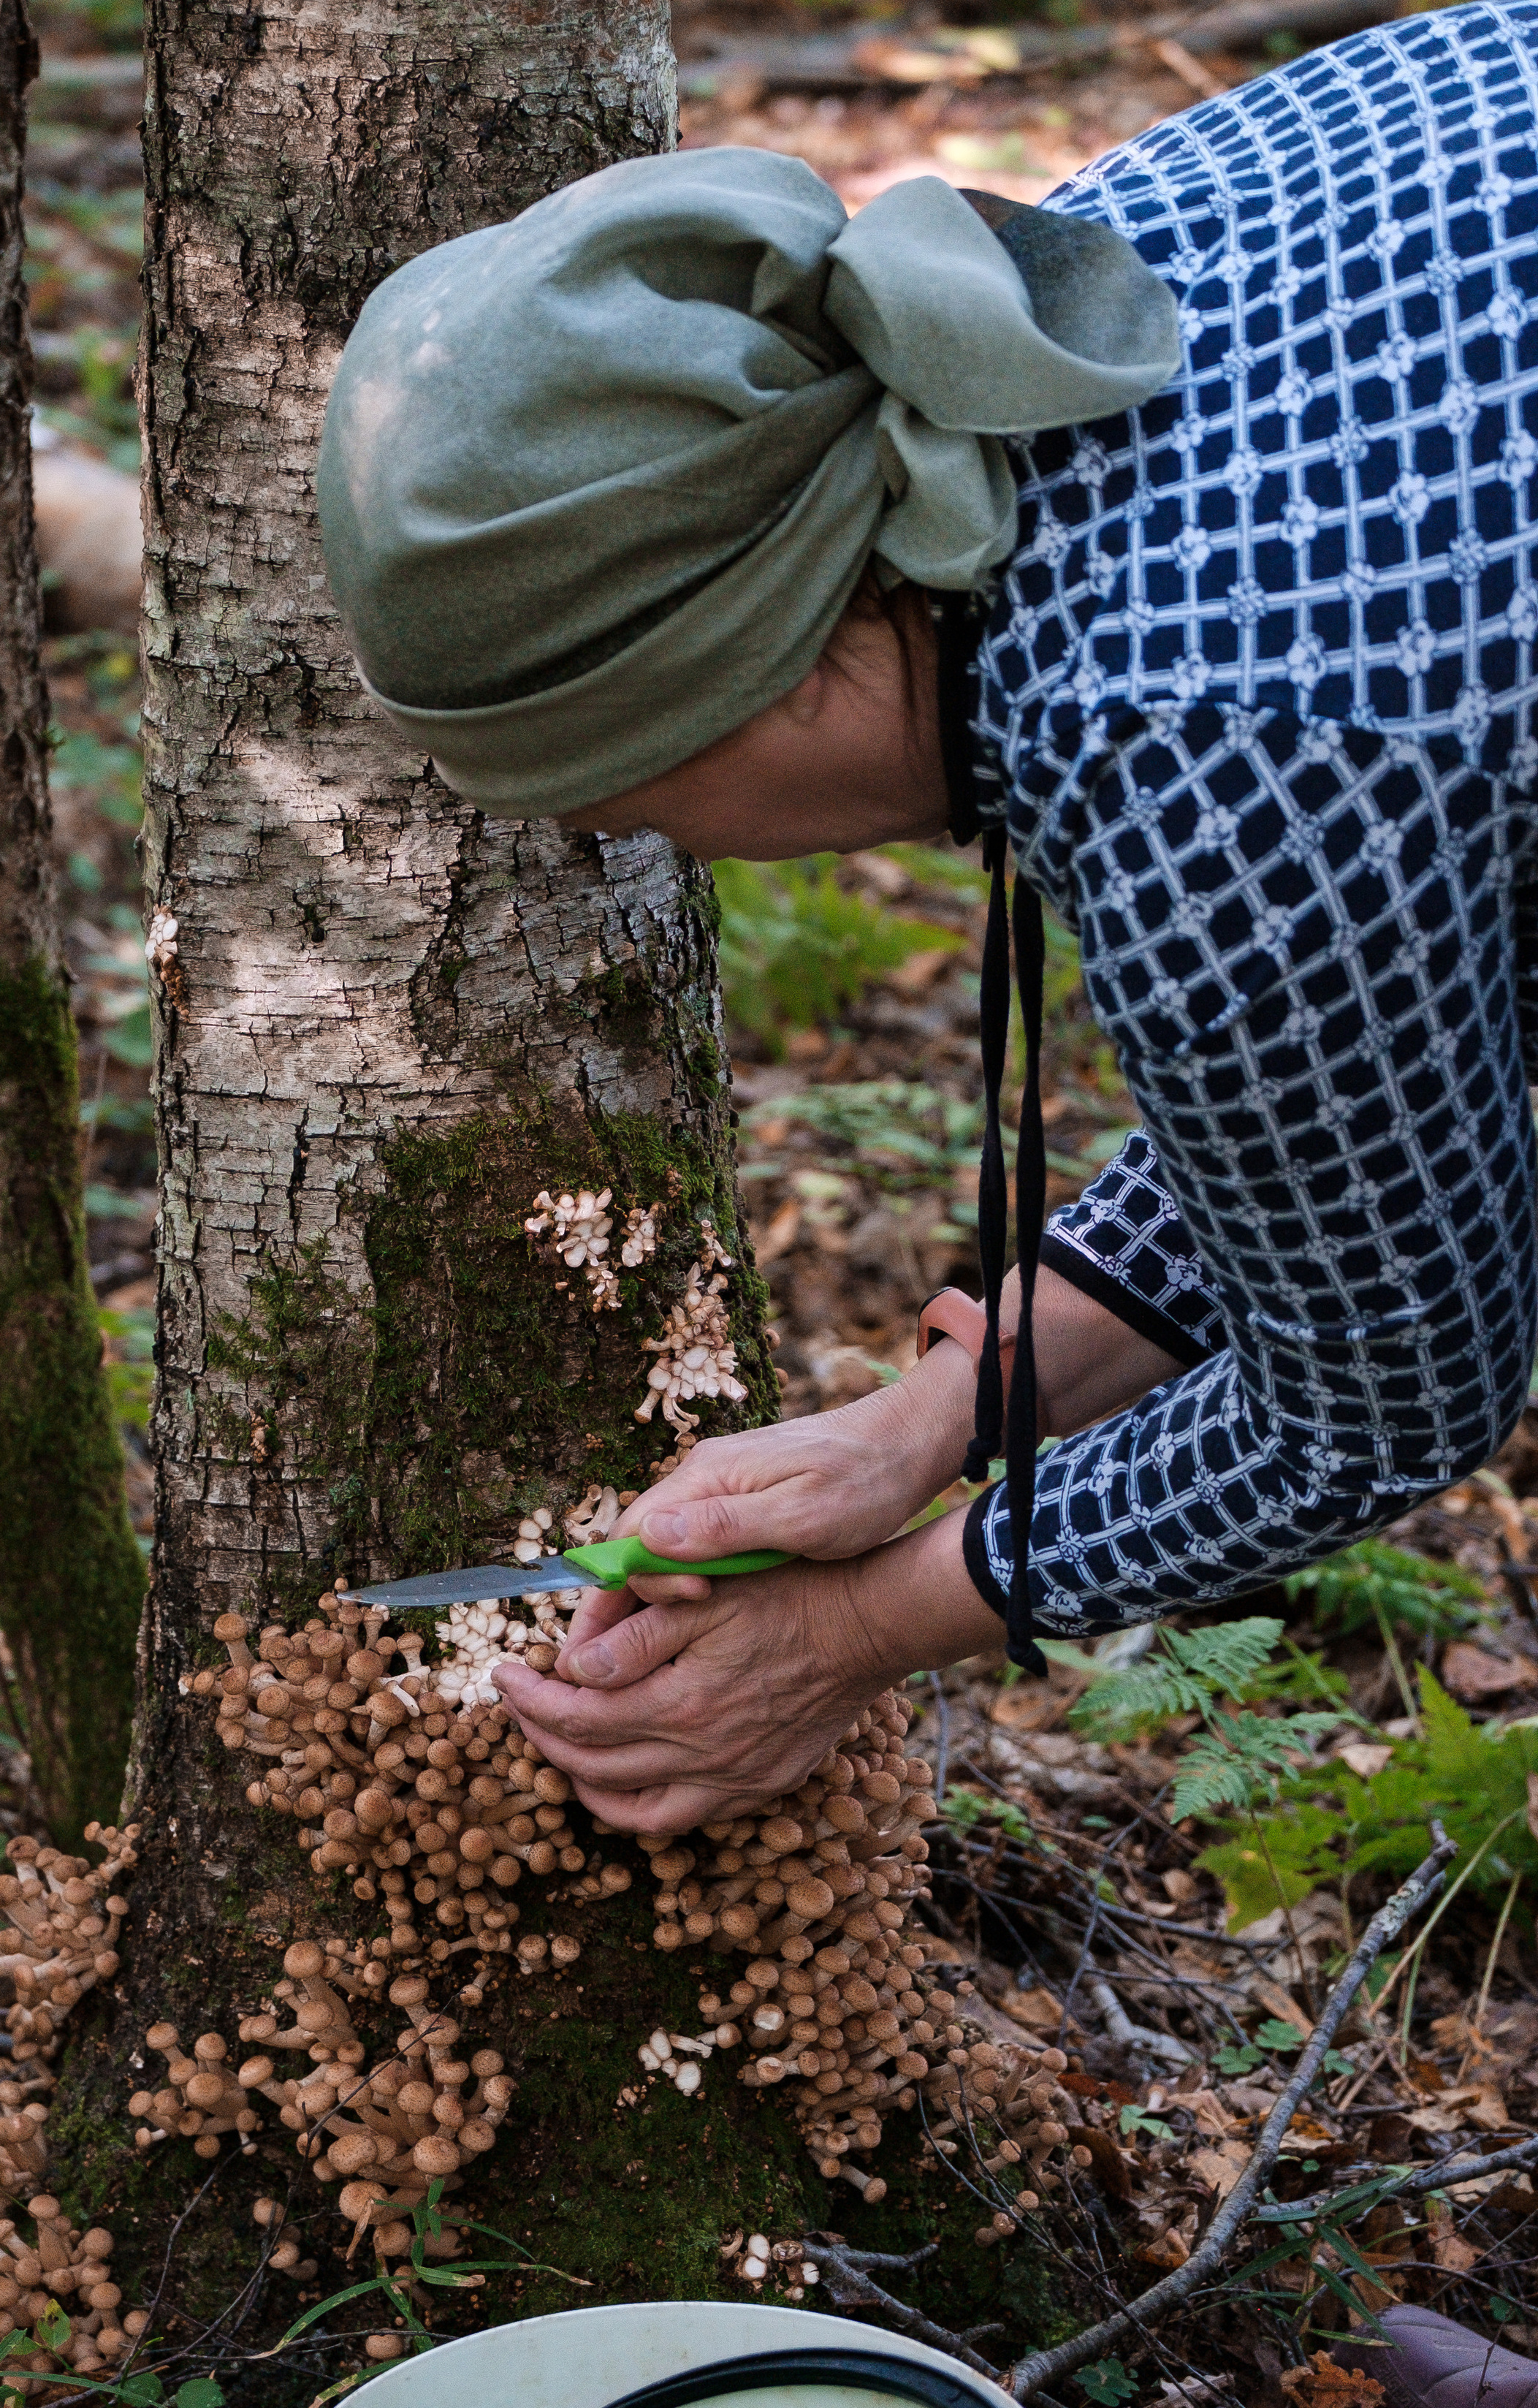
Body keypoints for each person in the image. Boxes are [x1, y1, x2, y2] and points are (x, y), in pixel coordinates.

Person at [318, 1, 1538, 1841]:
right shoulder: (1011, 323)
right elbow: (1356, 1092)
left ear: (743, 678)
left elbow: (1382, 1392)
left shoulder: (1195, 748)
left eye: (621, 798)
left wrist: (858, 1632)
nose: (645, 848)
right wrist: (925, 1424)